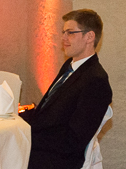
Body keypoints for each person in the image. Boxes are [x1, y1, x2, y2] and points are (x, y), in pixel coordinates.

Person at [26, 9, 112, 169]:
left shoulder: (96, 81)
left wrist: (27, 137)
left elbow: (73, 140)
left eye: (70, 33)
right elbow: (48, 114)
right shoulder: (70, 66)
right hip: (41, 147)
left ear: (89, 37)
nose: (63, 38)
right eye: (64, 32)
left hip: (57, 160)